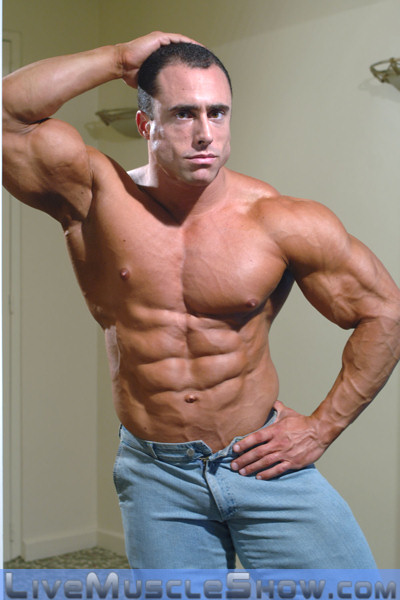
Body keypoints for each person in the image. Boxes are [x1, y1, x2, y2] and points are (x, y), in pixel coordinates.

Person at [3, 31, 400, 570]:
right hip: (156, 475)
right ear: (146, 123)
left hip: (262, 463)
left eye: (218, 113)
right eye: (184, 114)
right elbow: (8, 118)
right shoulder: (94, 197)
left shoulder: (280, 221)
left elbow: (384, 311)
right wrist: (118, 59)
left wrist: (322, 427)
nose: (205, 133)